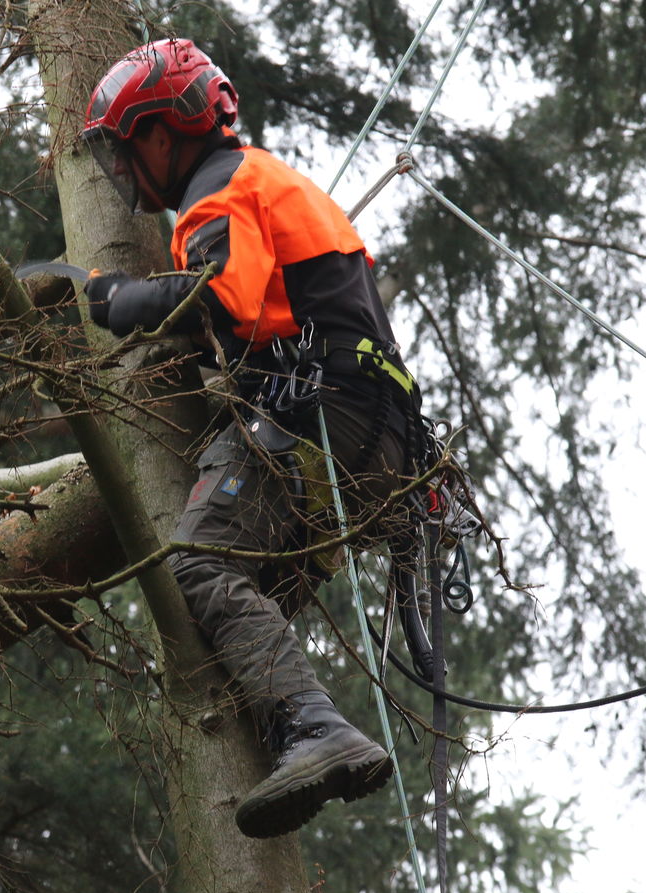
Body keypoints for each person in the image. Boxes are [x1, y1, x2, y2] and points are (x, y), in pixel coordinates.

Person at [80, 38, 422, 839]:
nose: (125, 171)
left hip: (321, 417)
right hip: (376, 438)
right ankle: (294, 737)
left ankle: (316, 729)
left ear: (163, 133)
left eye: (128, 149)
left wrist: (115, 297)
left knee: (200, 564)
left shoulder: (220, 189)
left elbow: (213, 302)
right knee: (242, 612)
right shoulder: (268, 182)